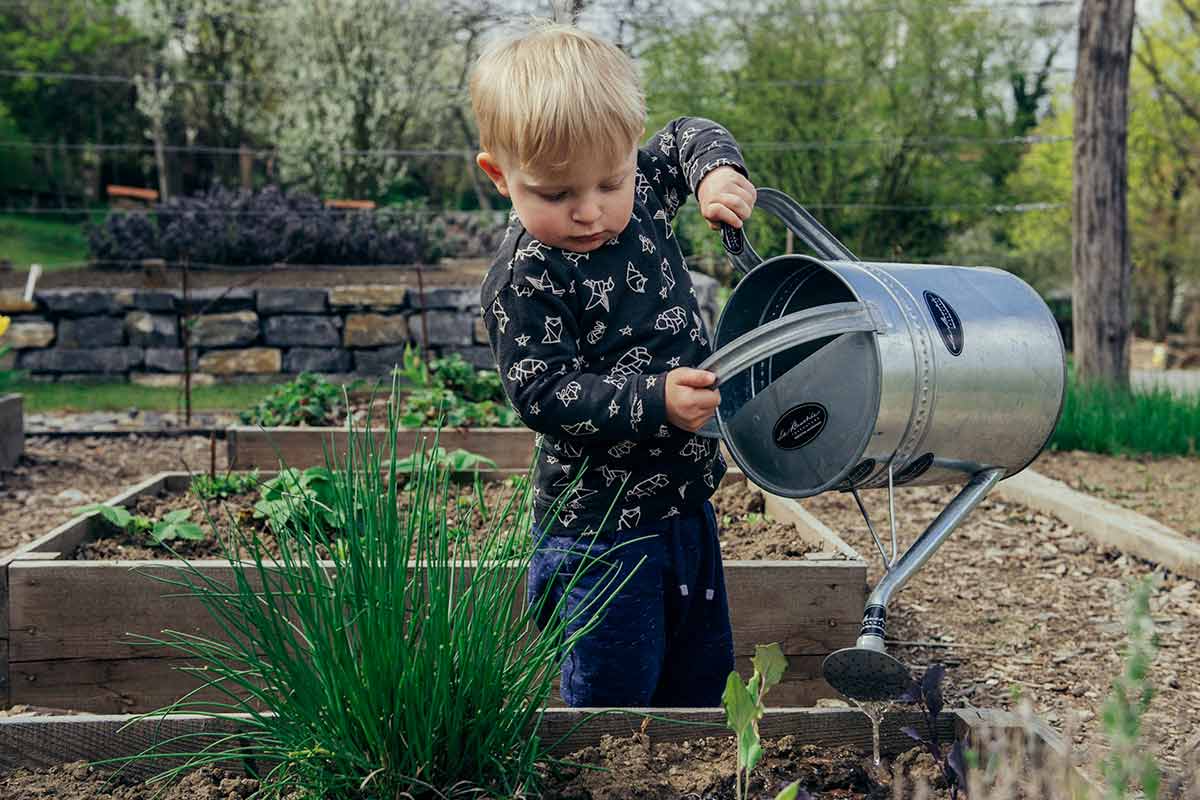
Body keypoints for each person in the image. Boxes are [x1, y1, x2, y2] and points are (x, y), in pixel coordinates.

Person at [471, 21, 757, 707]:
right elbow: (542, 392)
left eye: (610, 180)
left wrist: (717, 173)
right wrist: (654, 399)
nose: (590, 211)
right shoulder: (526, 277)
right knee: (614, 694)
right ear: (498, 175)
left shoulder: (647, 193)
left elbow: (690, 131)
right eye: (554, 194)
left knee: (699, 678)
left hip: (688, 506)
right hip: (600, 533)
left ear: (631, 152)